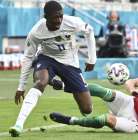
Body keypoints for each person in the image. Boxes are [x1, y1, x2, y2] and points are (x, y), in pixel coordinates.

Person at [9, 0, 97, 137]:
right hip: (47, 58)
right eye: (55, 17)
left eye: (61, 16)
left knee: (87, 109)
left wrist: (92, 59)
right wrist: (21, 86)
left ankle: (61, 84)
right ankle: (18, 124)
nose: (59, 20)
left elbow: (89, 31)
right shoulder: (36, 32)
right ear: (45, 17)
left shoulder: (71, 22)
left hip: (70, 61)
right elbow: (27, 58)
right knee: (41, 81)